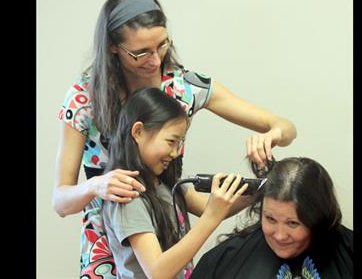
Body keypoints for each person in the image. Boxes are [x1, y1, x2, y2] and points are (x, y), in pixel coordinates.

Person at [53, 0, 297, 278]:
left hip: (167, 231)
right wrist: (95, 186)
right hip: (108, 246)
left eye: (162, 45)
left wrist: (270, 137)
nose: (155, 61)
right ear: (112, 47)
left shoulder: (183, 86)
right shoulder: (84, 98)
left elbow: (285, 127)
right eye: (141, 52)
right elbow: (60, 201)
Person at [101, 87, 255, 278]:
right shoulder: (129, 195)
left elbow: (212, 207)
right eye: (171, 141)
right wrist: (211, 218)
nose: (175, 153)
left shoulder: (164, 184)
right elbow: (157, 272)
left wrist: (255, 193)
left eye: (179, 143)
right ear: (138, 132)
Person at [191, 157, 353, 279]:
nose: (280, 235)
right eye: (270, 219)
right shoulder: (225, 259)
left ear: (317, 219)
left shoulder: (348, 254)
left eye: (292, 223)